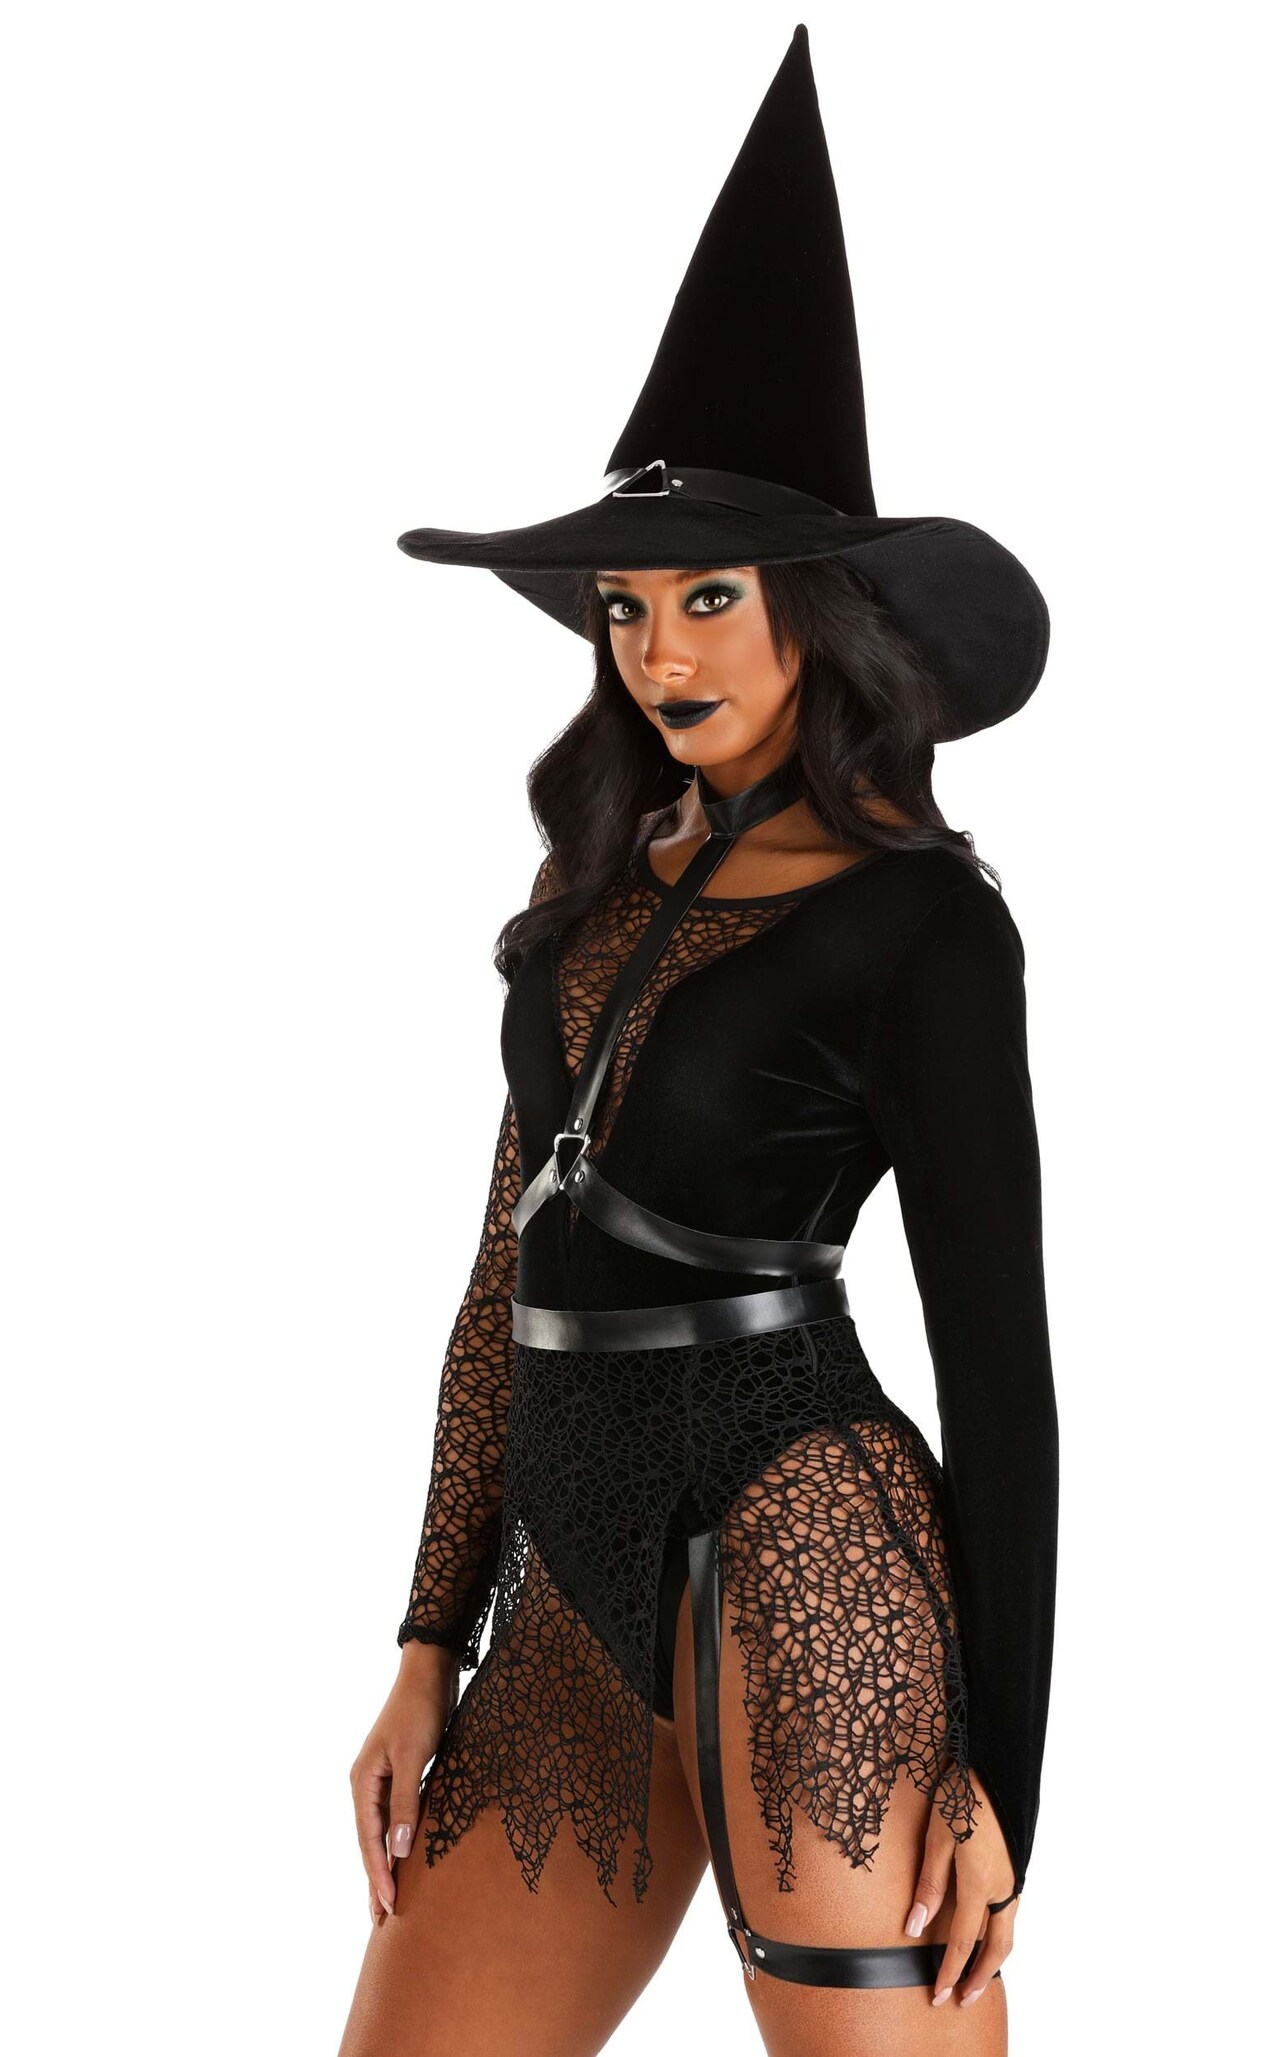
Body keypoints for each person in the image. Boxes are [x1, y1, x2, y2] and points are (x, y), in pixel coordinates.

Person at [338, 24, 1057, 2055]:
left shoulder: (926, 926)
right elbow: (504, 1273)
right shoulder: (590, 887)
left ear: (815, 602)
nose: (658, 651)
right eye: (626, 607)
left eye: (708, 598)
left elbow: (1003, 1368)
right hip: (565, 1594)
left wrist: (1011, 1773)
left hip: (809, 1546)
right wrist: (424, 1637)